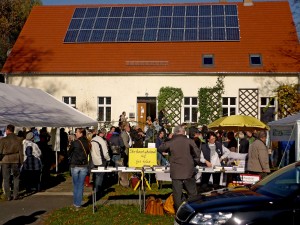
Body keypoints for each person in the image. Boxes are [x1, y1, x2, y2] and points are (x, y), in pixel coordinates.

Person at [158, 125, 200, 212]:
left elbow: (160, 148)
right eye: (184, 130)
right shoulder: (189, 141)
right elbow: (197, 153)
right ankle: (194, 210)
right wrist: (194, 163)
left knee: (177, 194)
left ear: (175, 132)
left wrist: (167, 138)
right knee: (192, 193)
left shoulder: (171, 141)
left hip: (176, 170)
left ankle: (179, 212)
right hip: (188, 169)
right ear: (182, 132)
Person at [68, 128, 90, 210]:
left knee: (76, 185)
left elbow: (69, 153)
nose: (75, 134)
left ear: (81, 133)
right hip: (84, 166)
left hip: (75, 165)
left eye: (77, 132)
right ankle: (78, 204)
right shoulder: (88, 143)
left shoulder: (75, 143)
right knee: (80, 185)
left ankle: (75, 204)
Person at [0, 124, 23, 200]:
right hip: (15, 159)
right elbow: (21, 152)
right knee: (16, 177)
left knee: (6, 178)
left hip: (5, 160)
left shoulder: (3, 140)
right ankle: (15, 195)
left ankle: (8, 196)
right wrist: (21, 161)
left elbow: (0, 152)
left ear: (7, 130)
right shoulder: (19, 139)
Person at [90, 128, 111, 197]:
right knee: (100, 177)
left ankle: (95, 189)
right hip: (101, 161)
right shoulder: (102, 141)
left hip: (93, 160)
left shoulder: (92, 139)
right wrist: (108, 159)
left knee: (95, 176)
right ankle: (98, 192)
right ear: (104, 133)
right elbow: (105, 153)